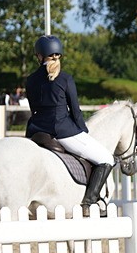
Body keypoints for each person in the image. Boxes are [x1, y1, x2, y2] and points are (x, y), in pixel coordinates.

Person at [24, 35, 113, 209]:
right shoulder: (65, 78)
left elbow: (33, 107)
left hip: (35, 131)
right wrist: (83, 131)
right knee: (106, 159)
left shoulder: (30, 80)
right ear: (59, 55)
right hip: (62, 130)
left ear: (39, 56)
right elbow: (75, 110)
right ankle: (89, 202)